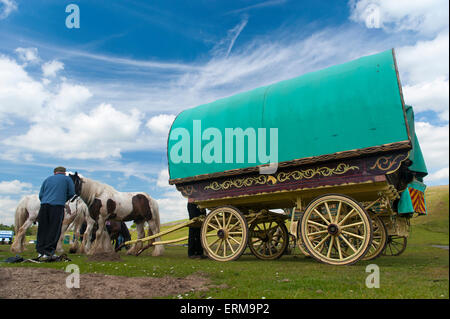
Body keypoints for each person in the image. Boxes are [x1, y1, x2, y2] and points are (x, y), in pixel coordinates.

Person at [36, 166, 75, 261]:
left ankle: (40, 251)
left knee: (43, 228)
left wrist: (46, 201)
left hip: (44, 206)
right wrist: (63, 200)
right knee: (54, 229)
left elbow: (41, 195)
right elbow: (71, 193)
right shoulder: (67, 179)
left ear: (55, 172)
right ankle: (48, 252)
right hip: (57, 206)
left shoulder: (47, 179)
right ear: (64, 173)